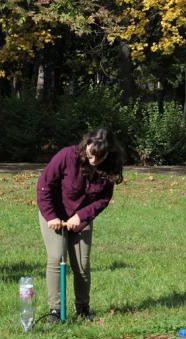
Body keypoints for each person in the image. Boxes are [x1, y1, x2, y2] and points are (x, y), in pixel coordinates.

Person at [37, 128, 124, 322]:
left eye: (99, 158)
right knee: (57, 256)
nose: (93, 161)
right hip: (53, 215)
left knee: (82, 264)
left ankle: (83, 309)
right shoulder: (67, 156)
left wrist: (82, 216)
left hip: (80, 219)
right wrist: (51, 216)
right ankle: (55, 311)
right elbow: (44, 185)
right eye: (91, 155)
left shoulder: (111, 166)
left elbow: (103, 198)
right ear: (87, 144)